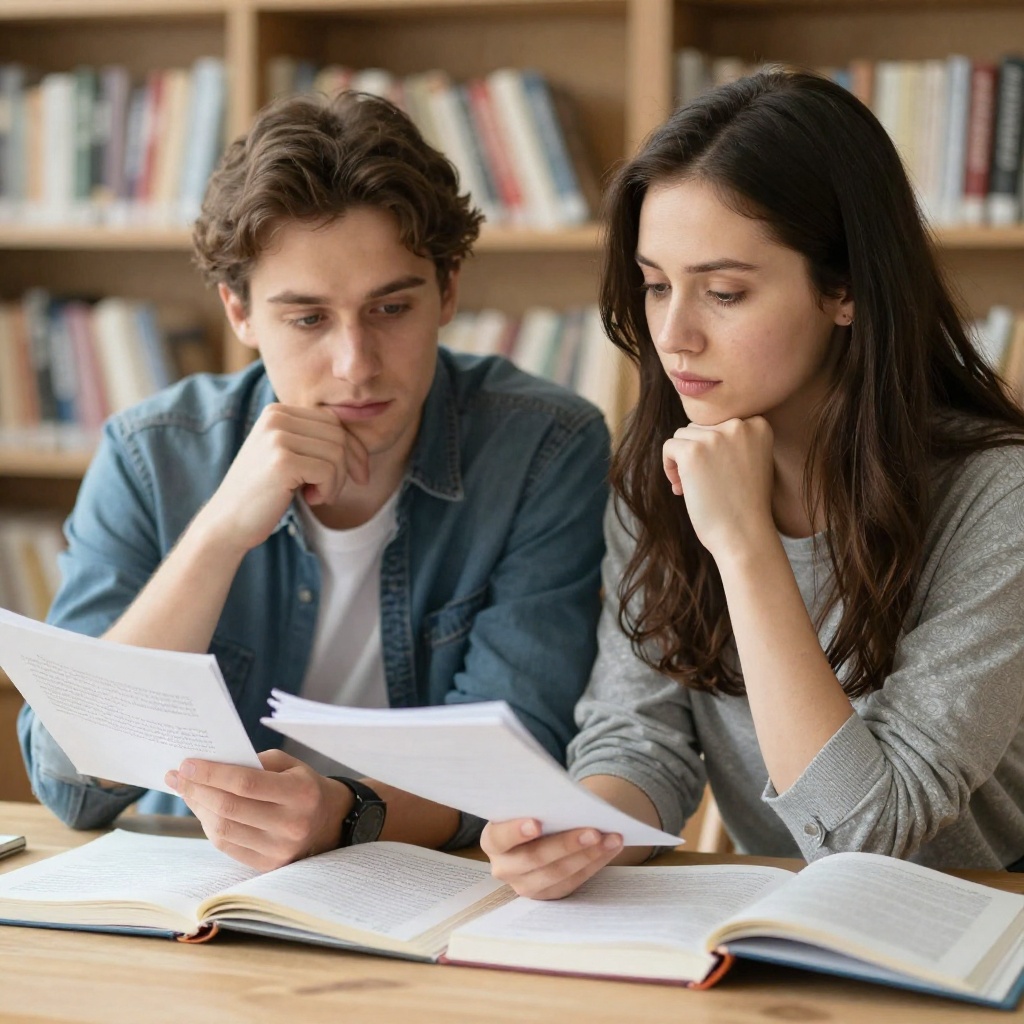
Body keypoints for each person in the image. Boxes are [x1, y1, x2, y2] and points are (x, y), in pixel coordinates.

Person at [18, 90, 610, 870]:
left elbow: (517, 758)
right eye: (307, 319)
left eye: (390, 309)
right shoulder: (151, 453)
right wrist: (219, 534)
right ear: (239, 313)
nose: (355, 364)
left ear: (448, 290)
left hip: (432, 886)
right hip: (196, 882)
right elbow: (70, 780)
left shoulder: (543, 447)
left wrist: (346, 815)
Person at [482, 66, 1024, 898]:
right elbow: (641, 738)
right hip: (785, 909)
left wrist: (742, 543)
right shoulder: (662, 467)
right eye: (656, 285)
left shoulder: (998, 495)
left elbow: (872, 836)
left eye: (725, 292)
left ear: (844, 289)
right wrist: (580, 832)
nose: (673, 334)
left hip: (976, 912)